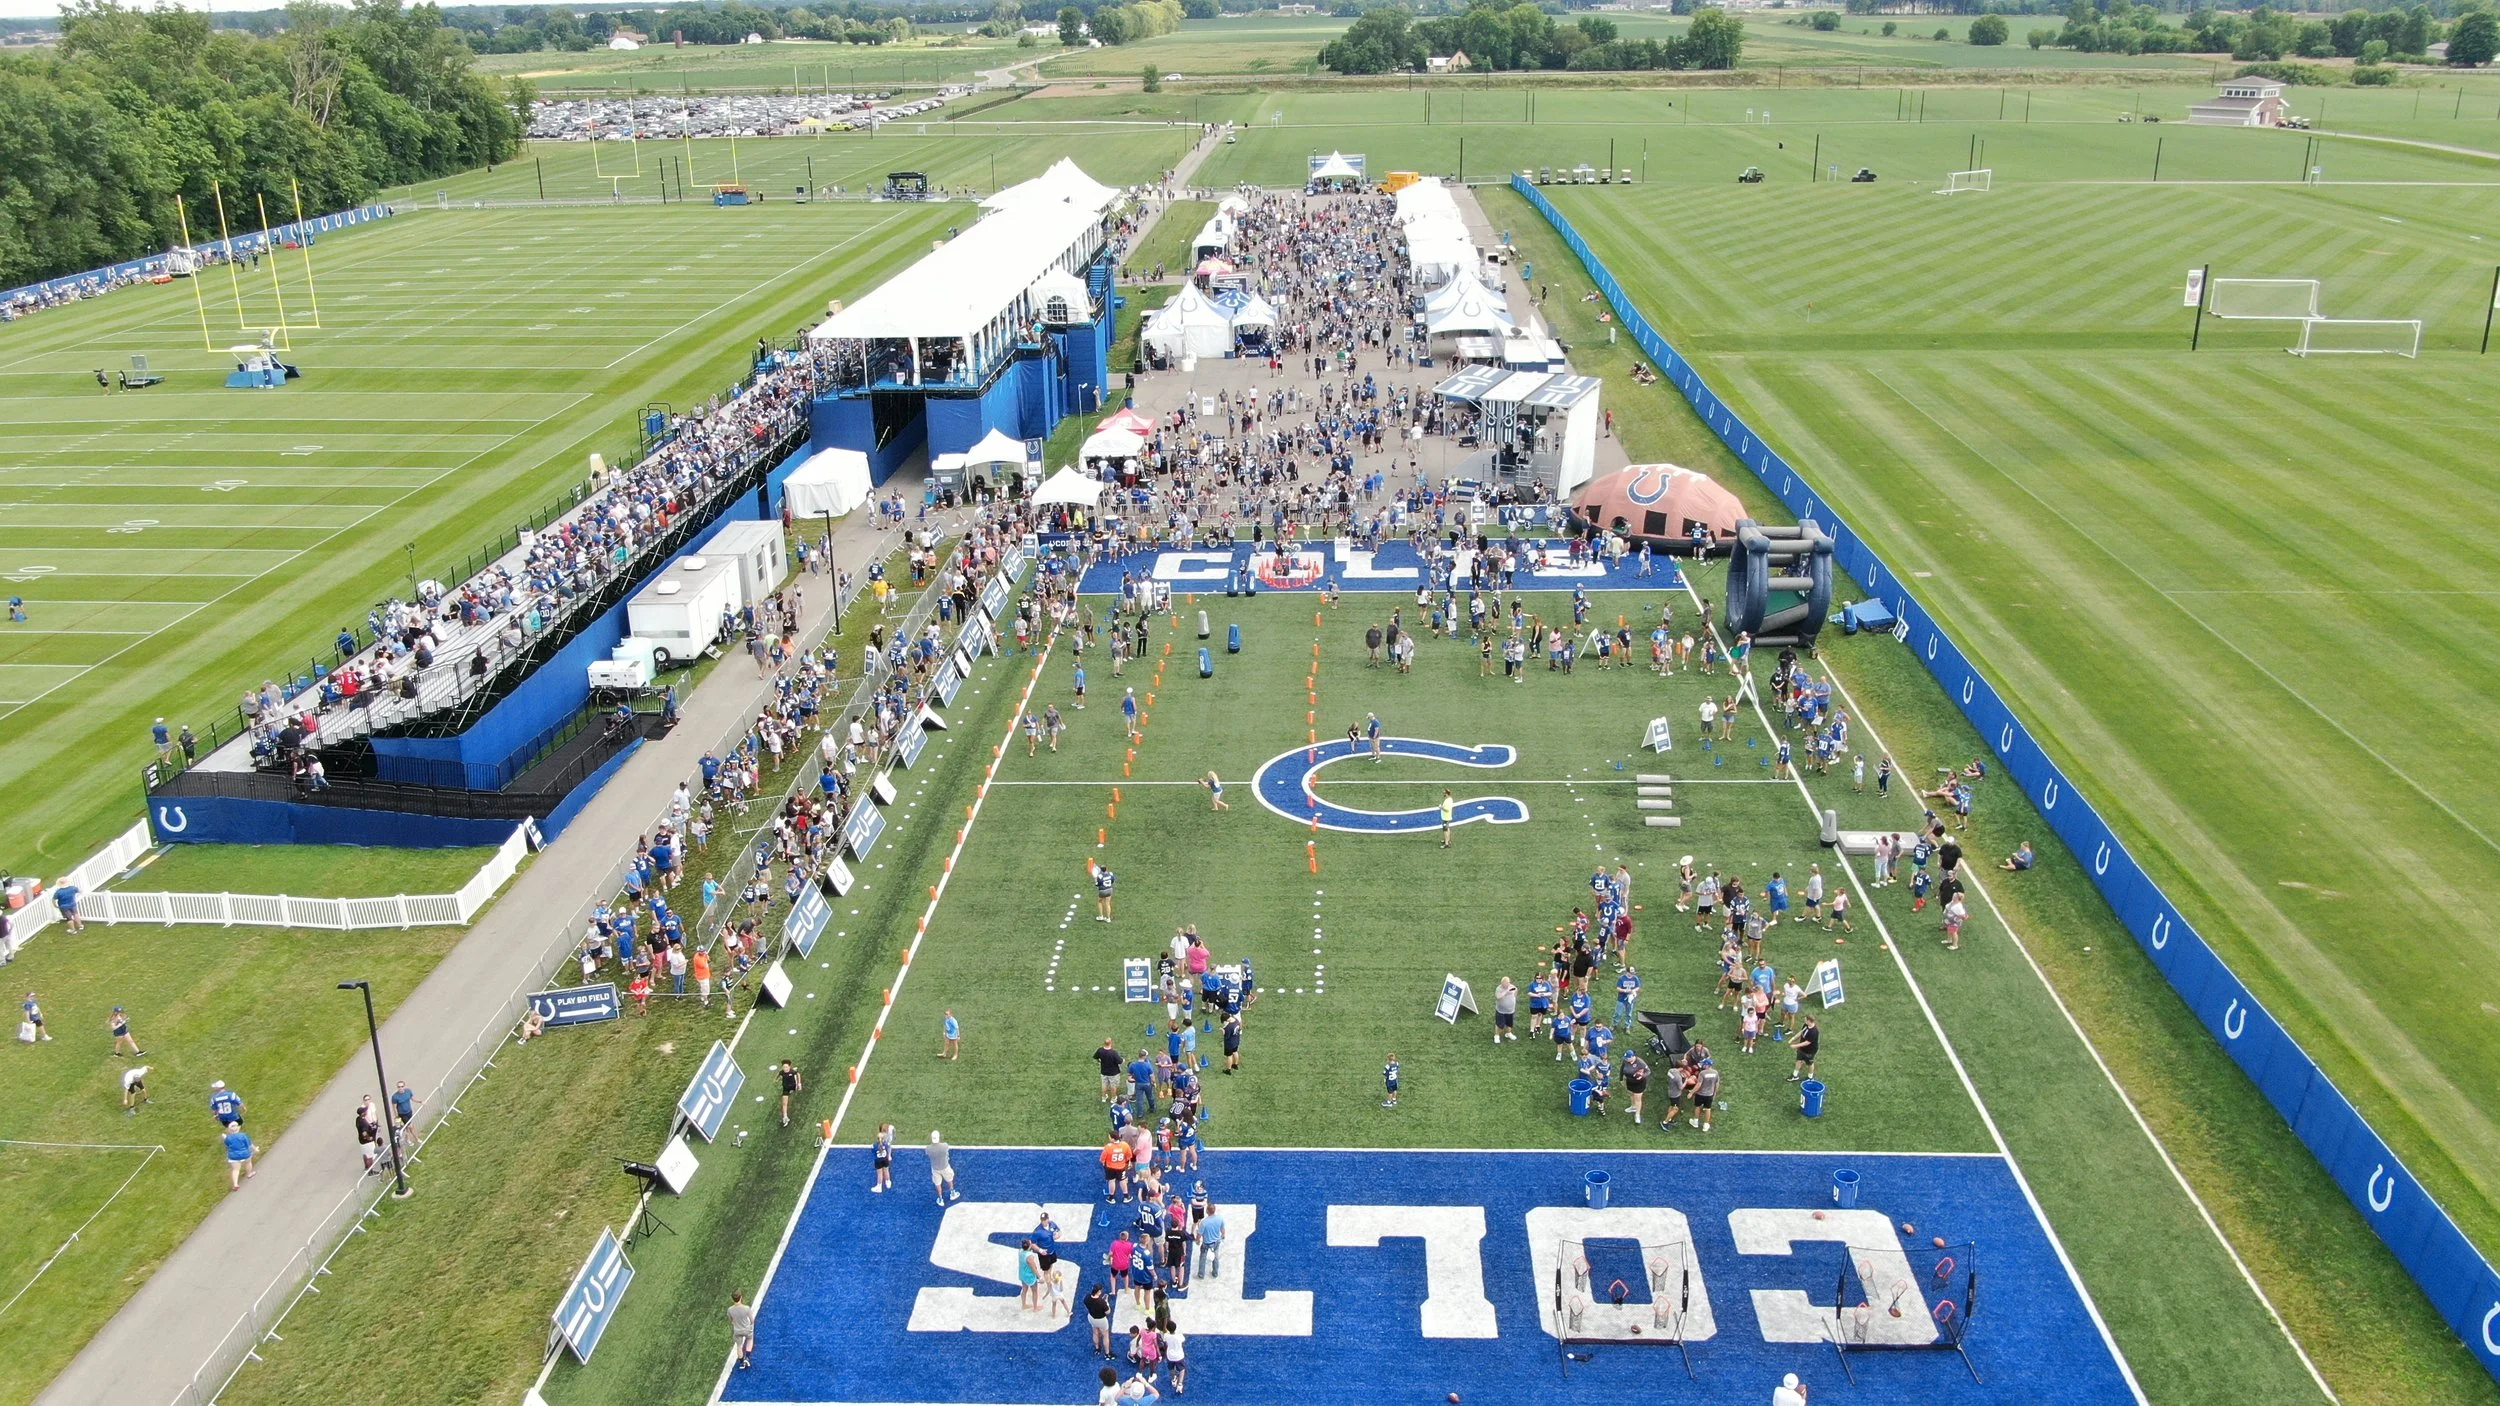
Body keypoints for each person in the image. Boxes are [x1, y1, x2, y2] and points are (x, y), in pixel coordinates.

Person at [926, 1129, 958, 1205]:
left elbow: (928, 1154)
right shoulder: (944, 1146)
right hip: (945, 1167)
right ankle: (952, 1193)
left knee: (938, 1184)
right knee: (949, 1179)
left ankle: (940, 1198)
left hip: (935, 1168)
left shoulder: (928, 1148)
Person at [1085, 1279, 1116, 1357]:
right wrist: (1107, 1305)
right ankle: (1107, 1353)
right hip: (1101, 1320)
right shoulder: (1101, 1302)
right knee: (1105, 1335)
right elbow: (1108, 1312)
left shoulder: (1087, 1297)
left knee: (1095, 1332)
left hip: (1091, 1318)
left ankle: (1097, 1348)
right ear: (1098, 1291)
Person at [728, 1290, 757, 1370]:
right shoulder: (746, 1308)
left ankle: (741, 1362)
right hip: (747, 1329)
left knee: (739, 1346)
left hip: (737, 1330)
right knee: (750, 1339)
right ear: (741, 1297)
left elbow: (730, 1320)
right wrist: (750, 1324)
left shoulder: (730, 1310)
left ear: (732, 1299)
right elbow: (752, 1320)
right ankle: (747, 1358)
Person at [223, 1126, 257, 1190]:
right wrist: (255, 1149)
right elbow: (249, 1144)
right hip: (245, 1153)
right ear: (238, 1128)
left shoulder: (228, 1138)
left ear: (229, 1130)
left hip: (234, 1156)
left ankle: (235, 1184)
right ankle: (249, 1173)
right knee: (248, 1163)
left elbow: (227, 1146)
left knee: (235, 1169)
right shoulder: (243, 1135)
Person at [1791, 1016, 1821, 1082]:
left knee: (1810, 1063)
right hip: (1802, 1049)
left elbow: (1807, 1042)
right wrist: (1793, 1038)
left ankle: (1810, 1077)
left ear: (1809, 1021)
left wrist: (1796, 1045)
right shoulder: (1806, 1025)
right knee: (1798, 1060)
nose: (1804, 1021)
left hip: (1810, 1051)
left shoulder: (1814, 1031)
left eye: (1805, 1020)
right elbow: (1801, 1032)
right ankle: (1794, 1076)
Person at [1492, 976, 1517, 1044]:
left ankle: (1508, 1033)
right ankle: (1496, 1035)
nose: (1508, 984)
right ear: (1502, 983)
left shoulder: (1512, 987)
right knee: (1500, 1024)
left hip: (1510, 1010)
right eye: (1506, 983)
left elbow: (1515, 991)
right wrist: (1506, 991)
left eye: (1508, 982)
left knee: (1509, 1023)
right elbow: (1498, 997)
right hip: (1501, 1011)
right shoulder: (1499, 989)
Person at [778, 1059, 802, 1128]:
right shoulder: (782, 1072)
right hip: (785, 1088)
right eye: (783, 1067)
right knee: (784, 1103)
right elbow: (778, 1076)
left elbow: (798, 1074)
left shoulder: (792, 1071)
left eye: (786, 1067)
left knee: (795, 1089)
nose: (784, 1068)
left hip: (793, 1086)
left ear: (789, 1067)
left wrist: (799, 1084)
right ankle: (785, 1117)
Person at [872, 1121, 895, 1192]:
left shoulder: (874, 1145)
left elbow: (873, 1152)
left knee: (880, 1173)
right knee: (886, 1171)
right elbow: (888, 1148)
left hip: (878, 1160)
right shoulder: (885, 1145)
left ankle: (879, 1186)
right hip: (885, 1159)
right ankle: (888, 1182)